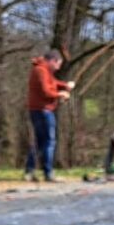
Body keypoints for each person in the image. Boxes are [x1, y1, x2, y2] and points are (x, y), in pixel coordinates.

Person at [26, 49, 74, 182]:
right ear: (53, 61)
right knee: (49, 141)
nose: (58, 67)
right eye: (58, 64)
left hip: (39, 110)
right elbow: (45, 91)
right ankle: (48, 173)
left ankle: (29, 171)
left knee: (40, 142)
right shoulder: (41, 71)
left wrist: (65, 86)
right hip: (43, 110)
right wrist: (60, 94)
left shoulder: (44, 71)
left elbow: (53, 83)